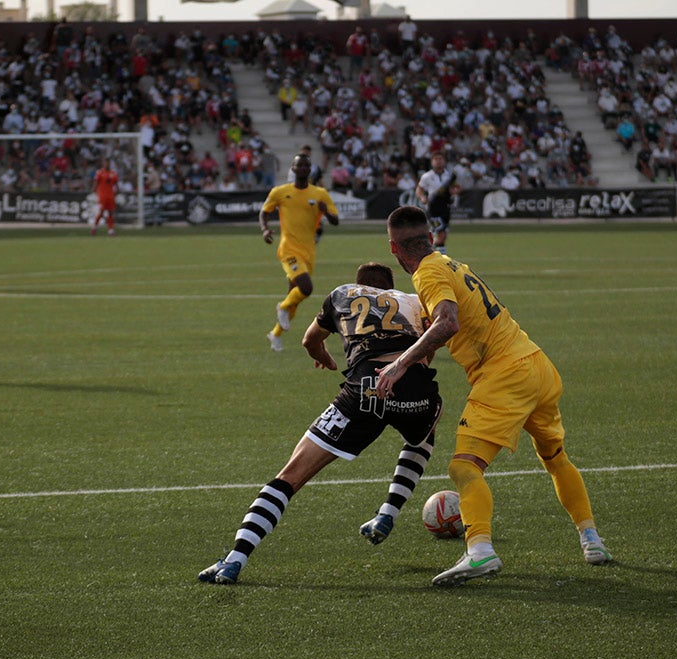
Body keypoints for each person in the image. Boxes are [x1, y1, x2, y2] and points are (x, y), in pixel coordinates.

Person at [375, 206, 611, 586]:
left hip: (505, 374)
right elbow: (447, 319)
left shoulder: (428, 272)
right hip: (537, 365)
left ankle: (480, 551)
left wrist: (401, 363)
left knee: (464, 467)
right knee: (554, 457)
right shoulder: (451, 264)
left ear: (393, 248)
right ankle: (591, 538)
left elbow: (447, 322)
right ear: (432, 238)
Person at [198, 262, 442, 585]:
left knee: (290, 476)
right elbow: (429, 348)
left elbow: (309, 340)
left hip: (363, 390)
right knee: (424, 434)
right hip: (416, 391)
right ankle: (388, 513)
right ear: (390, 286)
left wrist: (325, 356)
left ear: (361, 285)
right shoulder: (412, 300)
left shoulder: (342, 294)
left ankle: (235, 559)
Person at [259, 153, 339, 352]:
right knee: (306, 288)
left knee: (294, 296)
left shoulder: (320, 193)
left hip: (308, 251)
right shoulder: (280, 192)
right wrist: (265, 229)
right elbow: (264, 211)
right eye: (299, 165)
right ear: (293, 169)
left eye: (306, 165)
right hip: (288, 249)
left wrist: (326, 211)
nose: (303, 168)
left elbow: (336, 220)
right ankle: (282, 307)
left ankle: (275, 334)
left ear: (310, 169)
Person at [415, 151, 459, 254]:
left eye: (440, 159)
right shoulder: (427, 176)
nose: (438, 162)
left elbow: (455, 187)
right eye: (436, 159)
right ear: (432, 162)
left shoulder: (448, 175)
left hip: (445, 206)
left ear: (444, 161)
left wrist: (455, 191)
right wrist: (422, 197)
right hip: (433, 208)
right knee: (441, 233)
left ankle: (428, 252)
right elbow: (419, 189)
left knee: (442, 235)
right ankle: (441, 258)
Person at [90, 158, 119, 236]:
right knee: (102, 212)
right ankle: (94, 227)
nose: (107, 164)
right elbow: (95, 183)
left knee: (110, 212)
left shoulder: (113, 173)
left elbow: (116, 185)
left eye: (108, 163)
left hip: (111, 195)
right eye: (106, 163)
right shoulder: (100, 172)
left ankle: (111, 230)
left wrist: (118, 193)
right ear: (103, 163)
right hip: (102, 195)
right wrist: (93, 191)